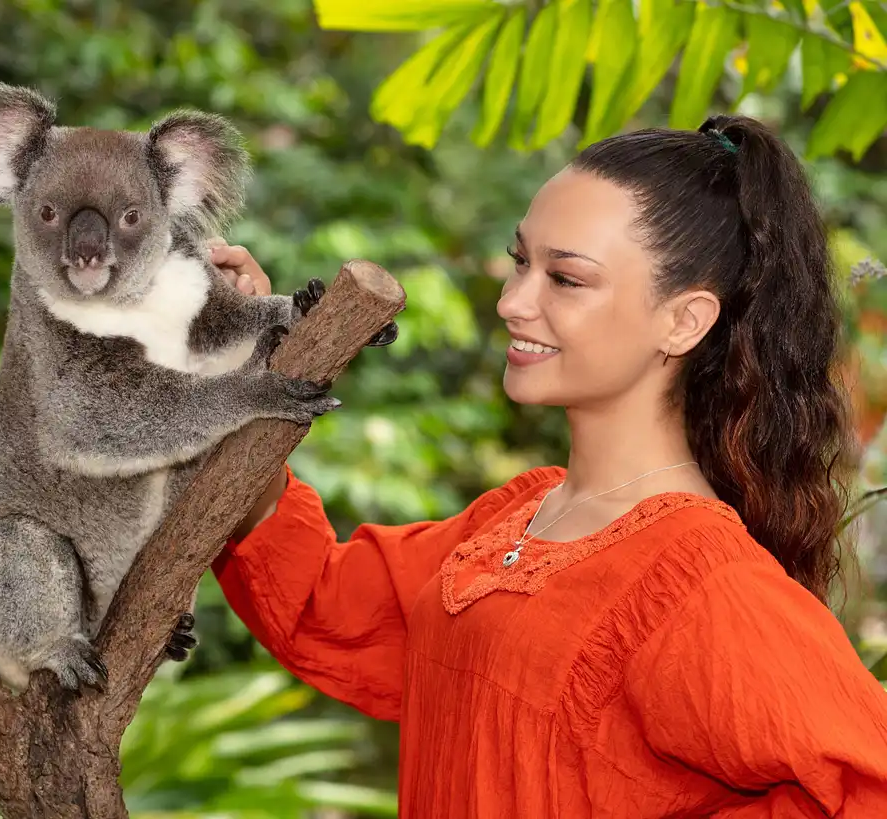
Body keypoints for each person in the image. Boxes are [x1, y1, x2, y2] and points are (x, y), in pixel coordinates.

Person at [206, 114, 887, 818]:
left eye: (566, 278)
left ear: (684, 320)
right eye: (520, 260)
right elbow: (327, 600)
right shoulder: (521, 518)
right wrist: (242, 356)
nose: (512, 302)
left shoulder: (703, 580)